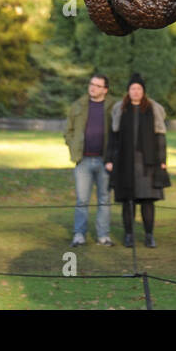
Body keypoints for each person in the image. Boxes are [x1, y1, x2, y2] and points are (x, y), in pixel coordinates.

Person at [108, 73, 169, 248]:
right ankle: (129, 235)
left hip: (147, 162)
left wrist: (162, 160)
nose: (135, 91)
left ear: (143, 91)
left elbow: (160, 137)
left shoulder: (153, 108)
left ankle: (149, 235)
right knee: (128, 200)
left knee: (147, 200)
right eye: (132, 88)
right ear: (128, 91)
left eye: (139, 88)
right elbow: (114, 137)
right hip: (125, 162)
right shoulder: (120, 108)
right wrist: (110, 159)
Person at [64, 73, 114, 247]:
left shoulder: (113, 106)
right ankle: (79, 235)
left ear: (105, 90)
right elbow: (68, 131)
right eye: (91, 84)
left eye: (98, 85)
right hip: (83, 161)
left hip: (105, 161)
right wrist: (73, 147)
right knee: (82, 200)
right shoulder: (78, 105)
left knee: (104, 199)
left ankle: (103, 236)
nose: (93, 87)